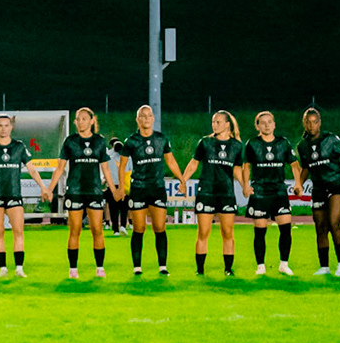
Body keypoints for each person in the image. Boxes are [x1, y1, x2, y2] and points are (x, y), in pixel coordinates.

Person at [0, 115, 53, 278]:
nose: (3, 128)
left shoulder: (19, 147)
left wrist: (43, 187)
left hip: (14, 195)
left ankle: (19, 268)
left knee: (18, 230)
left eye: (6, 125)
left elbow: (31, 169)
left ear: (11, 128)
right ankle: (2, 268)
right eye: (0, 126)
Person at [112, 105, 184, 276]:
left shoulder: (161, 139)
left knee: (159, 227)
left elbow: (171, 161)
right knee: (139, 228)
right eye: (142, 116)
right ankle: (137, 267)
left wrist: (181, 179)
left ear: (153, 118)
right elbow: (122, 166)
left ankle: (162, 266)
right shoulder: (131, 141)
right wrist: (122, 187)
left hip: (157, 188)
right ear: (138, 120)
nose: (146, 118)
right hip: (138, 188)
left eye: (149, 115)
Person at [292, 107, 340, 277]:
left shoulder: (331, 139)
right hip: (318, 188)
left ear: (320, 123)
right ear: (304, 123)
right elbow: (307, 168)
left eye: (315, 122)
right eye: (308, 122)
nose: (311, 125)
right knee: (320, 228)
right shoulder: (302, 146)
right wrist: (299, 183)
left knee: (333, 223)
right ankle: (324, 267)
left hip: (337, 185)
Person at [48, 108, 115, 279]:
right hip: (75, 190)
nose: (80, 122)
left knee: (97, 230)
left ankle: (100, 268)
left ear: (92, 121)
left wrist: (114, 189)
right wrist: (50, 189)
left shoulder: (99, 141)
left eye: (84, 118)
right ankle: (73, 269)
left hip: (94, 191)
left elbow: (105, 168)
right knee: (75, 230)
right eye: (78, 119)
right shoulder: (70, 142)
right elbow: (60, 167)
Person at [178, 111, 245, 278]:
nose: (215, 125)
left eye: (218, 122)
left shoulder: (237, 146)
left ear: (228, 124)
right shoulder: (205, 143)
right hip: (206, 191)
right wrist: (183, 180)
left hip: (226, 193)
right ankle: (200, 270)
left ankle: (228, 269)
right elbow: (194, 164)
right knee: (203, 232)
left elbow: (237, 170)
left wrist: (245, 186)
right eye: (213, 122)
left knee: (228, 232)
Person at [244, 112, 296, 276]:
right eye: (262, 123)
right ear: (257, 126)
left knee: (286, 229)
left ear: (274, 124)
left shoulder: (283, 143)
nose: (266, 125)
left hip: (279, 191)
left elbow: (294, 164)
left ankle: (284, 264)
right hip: (259, 191)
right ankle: (261, 266)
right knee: (260, 230)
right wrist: (246, 185)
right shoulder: (252, 144)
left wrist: (299, 183)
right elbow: (246, 166)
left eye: (269, 122)